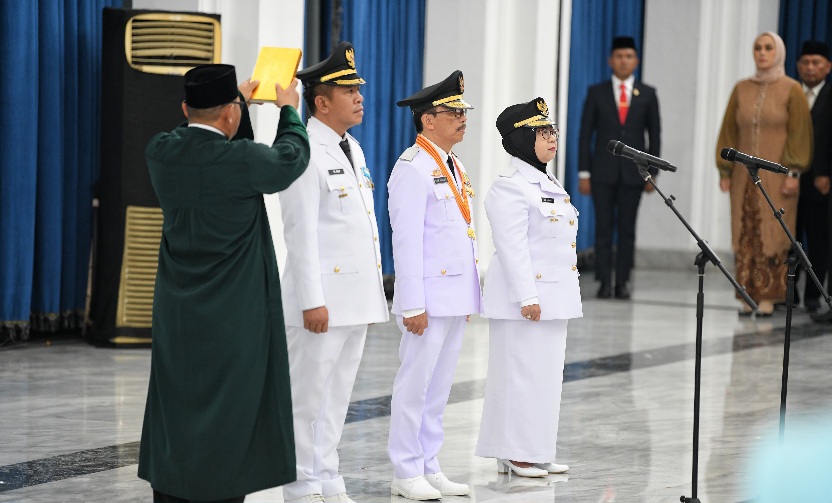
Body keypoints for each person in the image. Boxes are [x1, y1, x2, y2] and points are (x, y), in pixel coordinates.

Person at [138, 64, 309, 502]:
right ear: (231, 113)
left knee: (177, 404)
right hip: (235, 311)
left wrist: (234, 106)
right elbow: (289, 157)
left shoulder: (160, 152)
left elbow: (192, 138)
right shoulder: (243, 161)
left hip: (178, 311)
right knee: (231, 411)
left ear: (185, 109)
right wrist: (289, 111)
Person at [278, 42, 388, 503]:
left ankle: (326, 473)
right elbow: (299, 232)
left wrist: (370, 297)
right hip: (320, 302)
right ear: (321, 102)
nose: (360, 97)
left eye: (359, 89)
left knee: (337, 396)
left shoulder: (352, 148)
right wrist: (312, 301)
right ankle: (300, 483)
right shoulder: (304, 149)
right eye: (348, 91)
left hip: (353, 300)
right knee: (306, 399)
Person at [387, 70, 482, 501]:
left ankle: (429, 464)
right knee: (415, 386)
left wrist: (468, 294)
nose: (463, 118)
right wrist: (411, 304)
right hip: (426, 298)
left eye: (464, 111)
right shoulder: (412, 168)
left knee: (438, 388)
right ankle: (405, 469)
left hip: (453, 296)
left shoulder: (453, 164)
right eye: (453, 112)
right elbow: (406, 242)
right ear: (428, 119)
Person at [476, 98, 583, 477]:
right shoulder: (509, 187)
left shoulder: (547, 181)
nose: (551, 137)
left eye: (552, 130)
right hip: (524, 300)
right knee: (518, 376)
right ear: (521, 139)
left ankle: (536, 449)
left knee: (545, 379)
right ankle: (513, 452)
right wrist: (527, 297)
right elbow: (512, 247)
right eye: (542, 132)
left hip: (554, 297)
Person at [716, 32, 813, 316]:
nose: (762, 53)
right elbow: (728, 131)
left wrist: (793, 173)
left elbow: (800, 135)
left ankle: (770, 297)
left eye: (768, 48)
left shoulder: (792, 89)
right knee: (745, 232)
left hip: (778, 178)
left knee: (774, 231)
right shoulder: (741, 88)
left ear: (778, 52)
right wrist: (724, 169)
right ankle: (747, 296)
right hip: (742, 178)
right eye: (758, 48)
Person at [578, 36, 661, 300]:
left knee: (627, 229)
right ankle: (604, 281)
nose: (624, 61)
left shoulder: (647, 94)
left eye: (628, 56)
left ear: (636, 61)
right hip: (602, 172)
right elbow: (585, 134)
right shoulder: (597, 92)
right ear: (610, 61)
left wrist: (652, 172)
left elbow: (654, 136)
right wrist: (584, 172)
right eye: (619, 56)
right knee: (603, 228)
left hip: (634, 174)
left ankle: (622, 281)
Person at [794, 41, 831, 314]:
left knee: (818, 241)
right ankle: (789, 295)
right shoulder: (791, 93)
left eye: (816, 62)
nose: (810, 68)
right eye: (805, 62)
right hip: (789, 180)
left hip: (820, 181)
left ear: (827, 67)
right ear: (798, 66)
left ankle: (813, 296)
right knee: (789, 240)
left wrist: (824, 172)